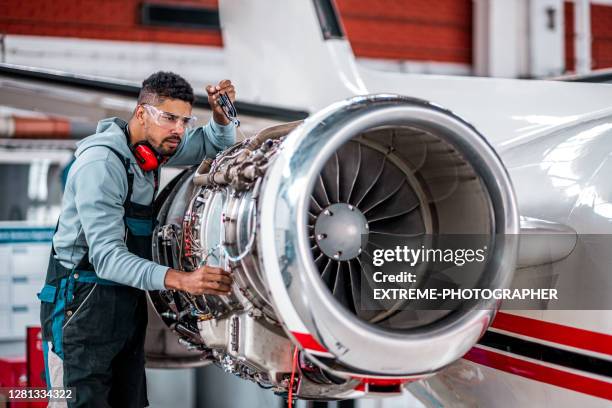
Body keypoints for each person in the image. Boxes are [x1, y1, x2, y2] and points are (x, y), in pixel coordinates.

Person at [37, 71, 236, 407]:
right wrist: (183, 280)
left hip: (124, 304)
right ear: (142, 113)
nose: (178, 129)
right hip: (80, 306)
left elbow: (217, 146)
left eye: (184, 120)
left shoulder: (152, 149)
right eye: (170, 118)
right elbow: (108, 259)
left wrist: (220, 118)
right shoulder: (101, 164)